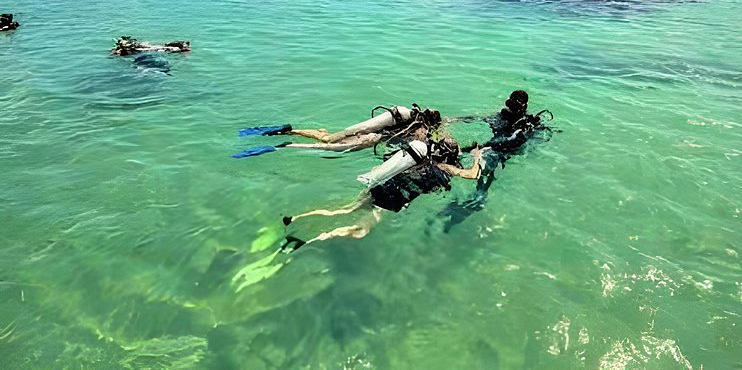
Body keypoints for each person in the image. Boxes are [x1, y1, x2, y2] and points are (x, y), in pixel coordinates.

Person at [280, 129, 484, 250]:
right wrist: (477, 156)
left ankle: (295, 218)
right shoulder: (444, 167)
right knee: (361, 231)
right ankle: (311, 241)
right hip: (393, 200)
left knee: (345, 209)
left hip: (383, 186)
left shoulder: (424, 157)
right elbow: (472, 174)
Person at [436, 90, 553, 232]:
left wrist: (455, 122)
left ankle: (477, 200)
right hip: (498, 152)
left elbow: (483, 120)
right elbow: (510, 139)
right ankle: (478, 200)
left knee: (483, 174)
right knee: (486, 176)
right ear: (525, 105)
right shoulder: (523, 122)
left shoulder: (509, 119)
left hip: (495, 151)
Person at [233, 105, 443, 157]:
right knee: (329, 147)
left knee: (326, 138)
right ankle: (285, 145)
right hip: (369, 137)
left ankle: (289, 131)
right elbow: (366, 128)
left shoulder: (409, 118)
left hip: (368, 133)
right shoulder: (413, 125)